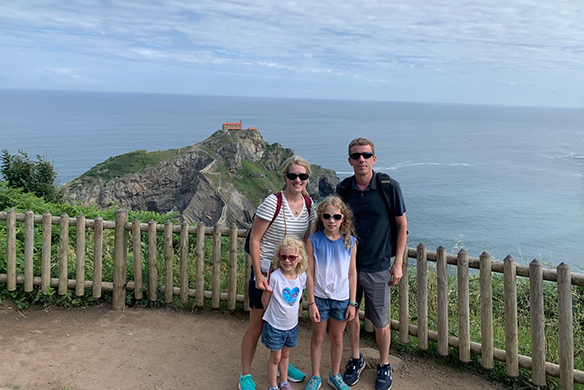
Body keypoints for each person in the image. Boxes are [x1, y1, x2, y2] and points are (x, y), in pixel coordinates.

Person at [337, 138, 407, 390]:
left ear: (374, 159)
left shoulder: (388, 186)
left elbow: (402, 226)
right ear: (350, 161)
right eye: (356, 156)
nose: (361, 160)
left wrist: (397, 262)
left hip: (378, 266)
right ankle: (356, 358)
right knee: (350, 315)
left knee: (381, 321)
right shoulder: (344, 189)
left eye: (366, 155)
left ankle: (385, 364)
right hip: (348, 267)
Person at [239, 156, 313, 390]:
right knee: (257, 325)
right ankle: (246, 375)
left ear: (307, 178)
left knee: (286, 323)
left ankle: (282, 363)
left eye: (302, 176)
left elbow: (306, 241)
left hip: (291, 275)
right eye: (292, 176)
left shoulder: (309, 206)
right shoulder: (273, 202)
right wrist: (259, 274)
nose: (297, 180)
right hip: (267, 273)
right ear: (285, 177)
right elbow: (255, 239)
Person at [305, 195, 357, 390]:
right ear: (321, 217)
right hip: (319, 297)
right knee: (318, 337)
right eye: (327, 216)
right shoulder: (313, 241)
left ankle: (335, 375)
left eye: (336, 216)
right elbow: (309, 272)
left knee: (337, 338)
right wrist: (311, 302)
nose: (331, 221)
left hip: (342, 298)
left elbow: (352, 273)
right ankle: (315, 375)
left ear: (343, 218)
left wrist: (352, 302)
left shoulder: (350, 242)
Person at [261, 237, 309, 390]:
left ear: (299, 258)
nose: (287, 261)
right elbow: (265, 300)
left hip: (291, 326)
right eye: (283, 257)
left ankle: (284, 382)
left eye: (292, 257)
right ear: (278, 257)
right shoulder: (275, 277)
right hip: (275, 325)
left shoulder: (302, 277)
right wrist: (274, 314)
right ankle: (273, 386)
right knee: (275, 357)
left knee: (286, 355)